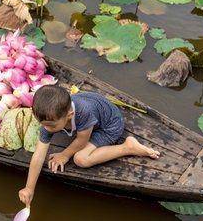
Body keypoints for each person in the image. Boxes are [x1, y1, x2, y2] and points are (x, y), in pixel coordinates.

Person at [18, 84, 160, 207]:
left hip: (109, 126)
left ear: (69, 115)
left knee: (81, 159)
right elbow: (38, 156)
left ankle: (128, 147)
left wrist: (64, 155)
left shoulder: (83, 112)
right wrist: (29, 188)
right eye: (42, 124)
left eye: (51, 125)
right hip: (92, 120)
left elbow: (81, 141)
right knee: (65, 137)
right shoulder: (50, 121)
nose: (45, 129)